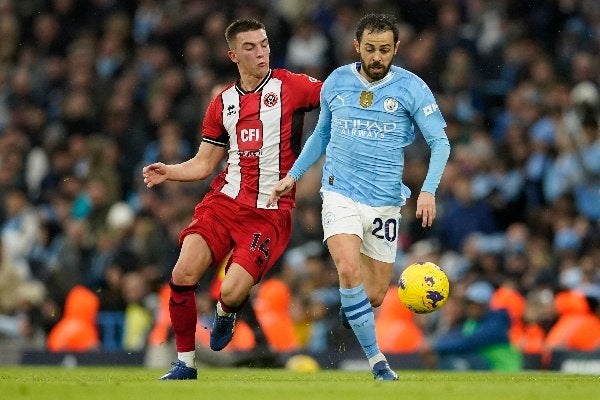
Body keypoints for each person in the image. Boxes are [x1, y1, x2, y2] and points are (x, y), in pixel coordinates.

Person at [268, 13, 450, 380]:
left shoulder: (412, 88)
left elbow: (440, 142)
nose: (377, 57)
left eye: (385, 50)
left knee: (376, 295)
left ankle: (348, 304)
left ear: (396, 49)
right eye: (370, 49)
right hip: (340, 193)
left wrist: (428, 190)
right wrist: (293, 176)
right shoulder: (337, 81)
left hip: (385, 202)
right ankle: (378, 362)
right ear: (357, 47)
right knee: (348, 269)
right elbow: (321, 135)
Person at [142, 18, 322, 380]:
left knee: (232, 290)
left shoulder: (293, 86)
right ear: (233, 55)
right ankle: (185, 364)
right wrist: (170, 171)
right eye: (251, 47)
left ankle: (226, 312)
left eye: (265, 44)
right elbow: (205, 163)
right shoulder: (222, 103)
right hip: (224, 202)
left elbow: (337, 93)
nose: (261, 52)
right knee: (182, 272)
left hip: (269, 212)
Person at [424, 281, 523, 371]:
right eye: (470, 304)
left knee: (456, 357)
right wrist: (433, 345)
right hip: (487, 366)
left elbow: (472, 341)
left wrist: (436, 346)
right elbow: (458, 336)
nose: (473, 308)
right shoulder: (471, 323)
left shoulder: (497, 321)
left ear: (486, 305)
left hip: (504, 369)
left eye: (477, 305)